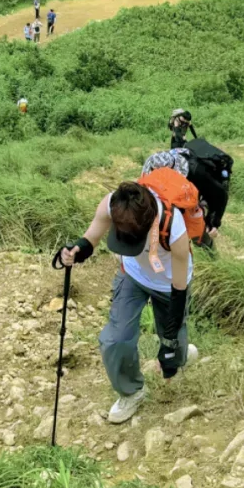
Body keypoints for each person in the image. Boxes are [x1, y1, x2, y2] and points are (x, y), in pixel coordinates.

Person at [57, 179, 199, 423]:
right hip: (132, 275)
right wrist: (76, 250)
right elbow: (91, 237)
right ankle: (132, 392)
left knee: (172, 350)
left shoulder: (174, 230)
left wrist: (170, 340)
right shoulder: (114, 204)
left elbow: (178, 289)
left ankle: (182, 354)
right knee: (115, 340)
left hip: (169, 285)